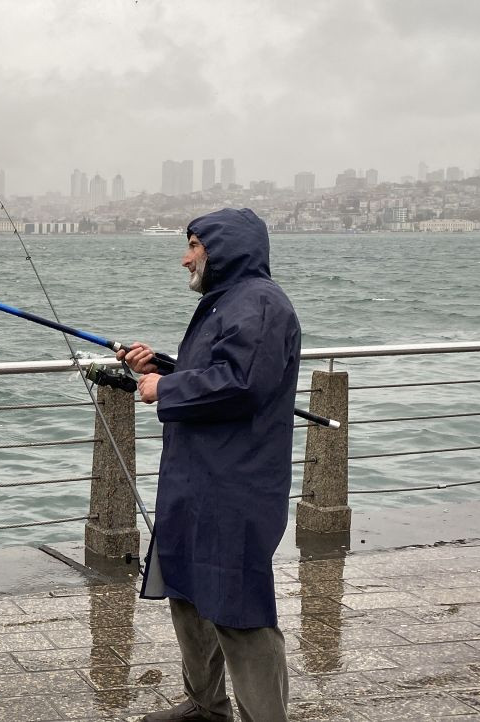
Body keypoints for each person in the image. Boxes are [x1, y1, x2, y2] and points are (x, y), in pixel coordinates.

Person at [116, 208, 300, 722]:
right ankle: (205, 707)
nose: (185, 258)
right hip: (193, 478)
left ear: (225, 249)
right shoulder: (226, 303)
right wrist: (164, 367)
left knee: (239, 608)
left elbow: (242, 384)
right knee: (188, 593)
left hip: (234, 484)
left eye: (194, 245)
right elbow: (216, 370)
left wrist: (165, 389)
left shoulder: (261, 304)